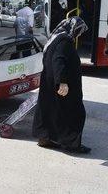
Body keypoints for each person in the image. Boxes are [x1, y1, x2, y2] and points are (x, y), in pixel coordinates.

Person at [33, 16, 91, 154]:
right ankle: (72, 144)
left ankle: (45, 138)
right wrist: (62, 82)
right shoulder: (65, 41)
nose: (79, 34)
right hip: (61, 84)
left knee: (50, 110)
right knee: (75, 113)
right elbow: (58, 60)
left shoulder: (57, 38)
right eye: (79, 30)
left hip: (49, 82)